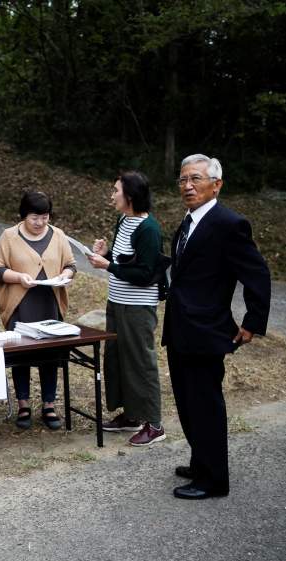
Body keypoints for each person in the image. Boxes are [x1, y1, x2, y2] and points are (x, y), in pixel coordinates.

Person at [163, 154, 271, 500]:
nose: (188, 186)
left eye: (195, 178)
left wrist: (253, 321)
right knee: (187, 402)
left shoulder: (229, 224)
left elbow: (257, 273)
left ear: (216, 184)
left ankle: (213, 480)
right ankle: (201, 462)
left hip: (206, 330)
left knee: (205, 405)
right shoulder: (189, 221)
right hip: (180, 328)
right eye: (183, 179)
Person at [88, 172, 168, 447]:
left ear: (130, 196)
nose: (112, 195)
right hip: (116, 301)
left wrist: (108, 265)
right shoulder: (123, 220)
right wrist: (106, 254)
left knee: (140, 362)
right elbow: (125, 260)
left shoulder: (149, 229)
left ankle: (154, 424)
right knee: (117, 358)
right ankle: (132, 415)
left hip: (138, 307)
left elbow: (145, 273)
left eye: (116, 191)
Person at [0, 191, 77, 430]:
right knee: (21, 355)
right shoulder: (9, 236)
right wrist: (19, 277)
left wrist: (65, 275)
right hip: (21, 305)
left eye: (45, 217)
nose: (40, 223)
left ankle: (49, 404)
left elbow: (70, 265)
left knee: (50, 354)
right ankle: (23, 404)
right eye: (34, 218)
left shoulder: (58, 235)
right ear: (24, 215)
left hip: (49, 304)